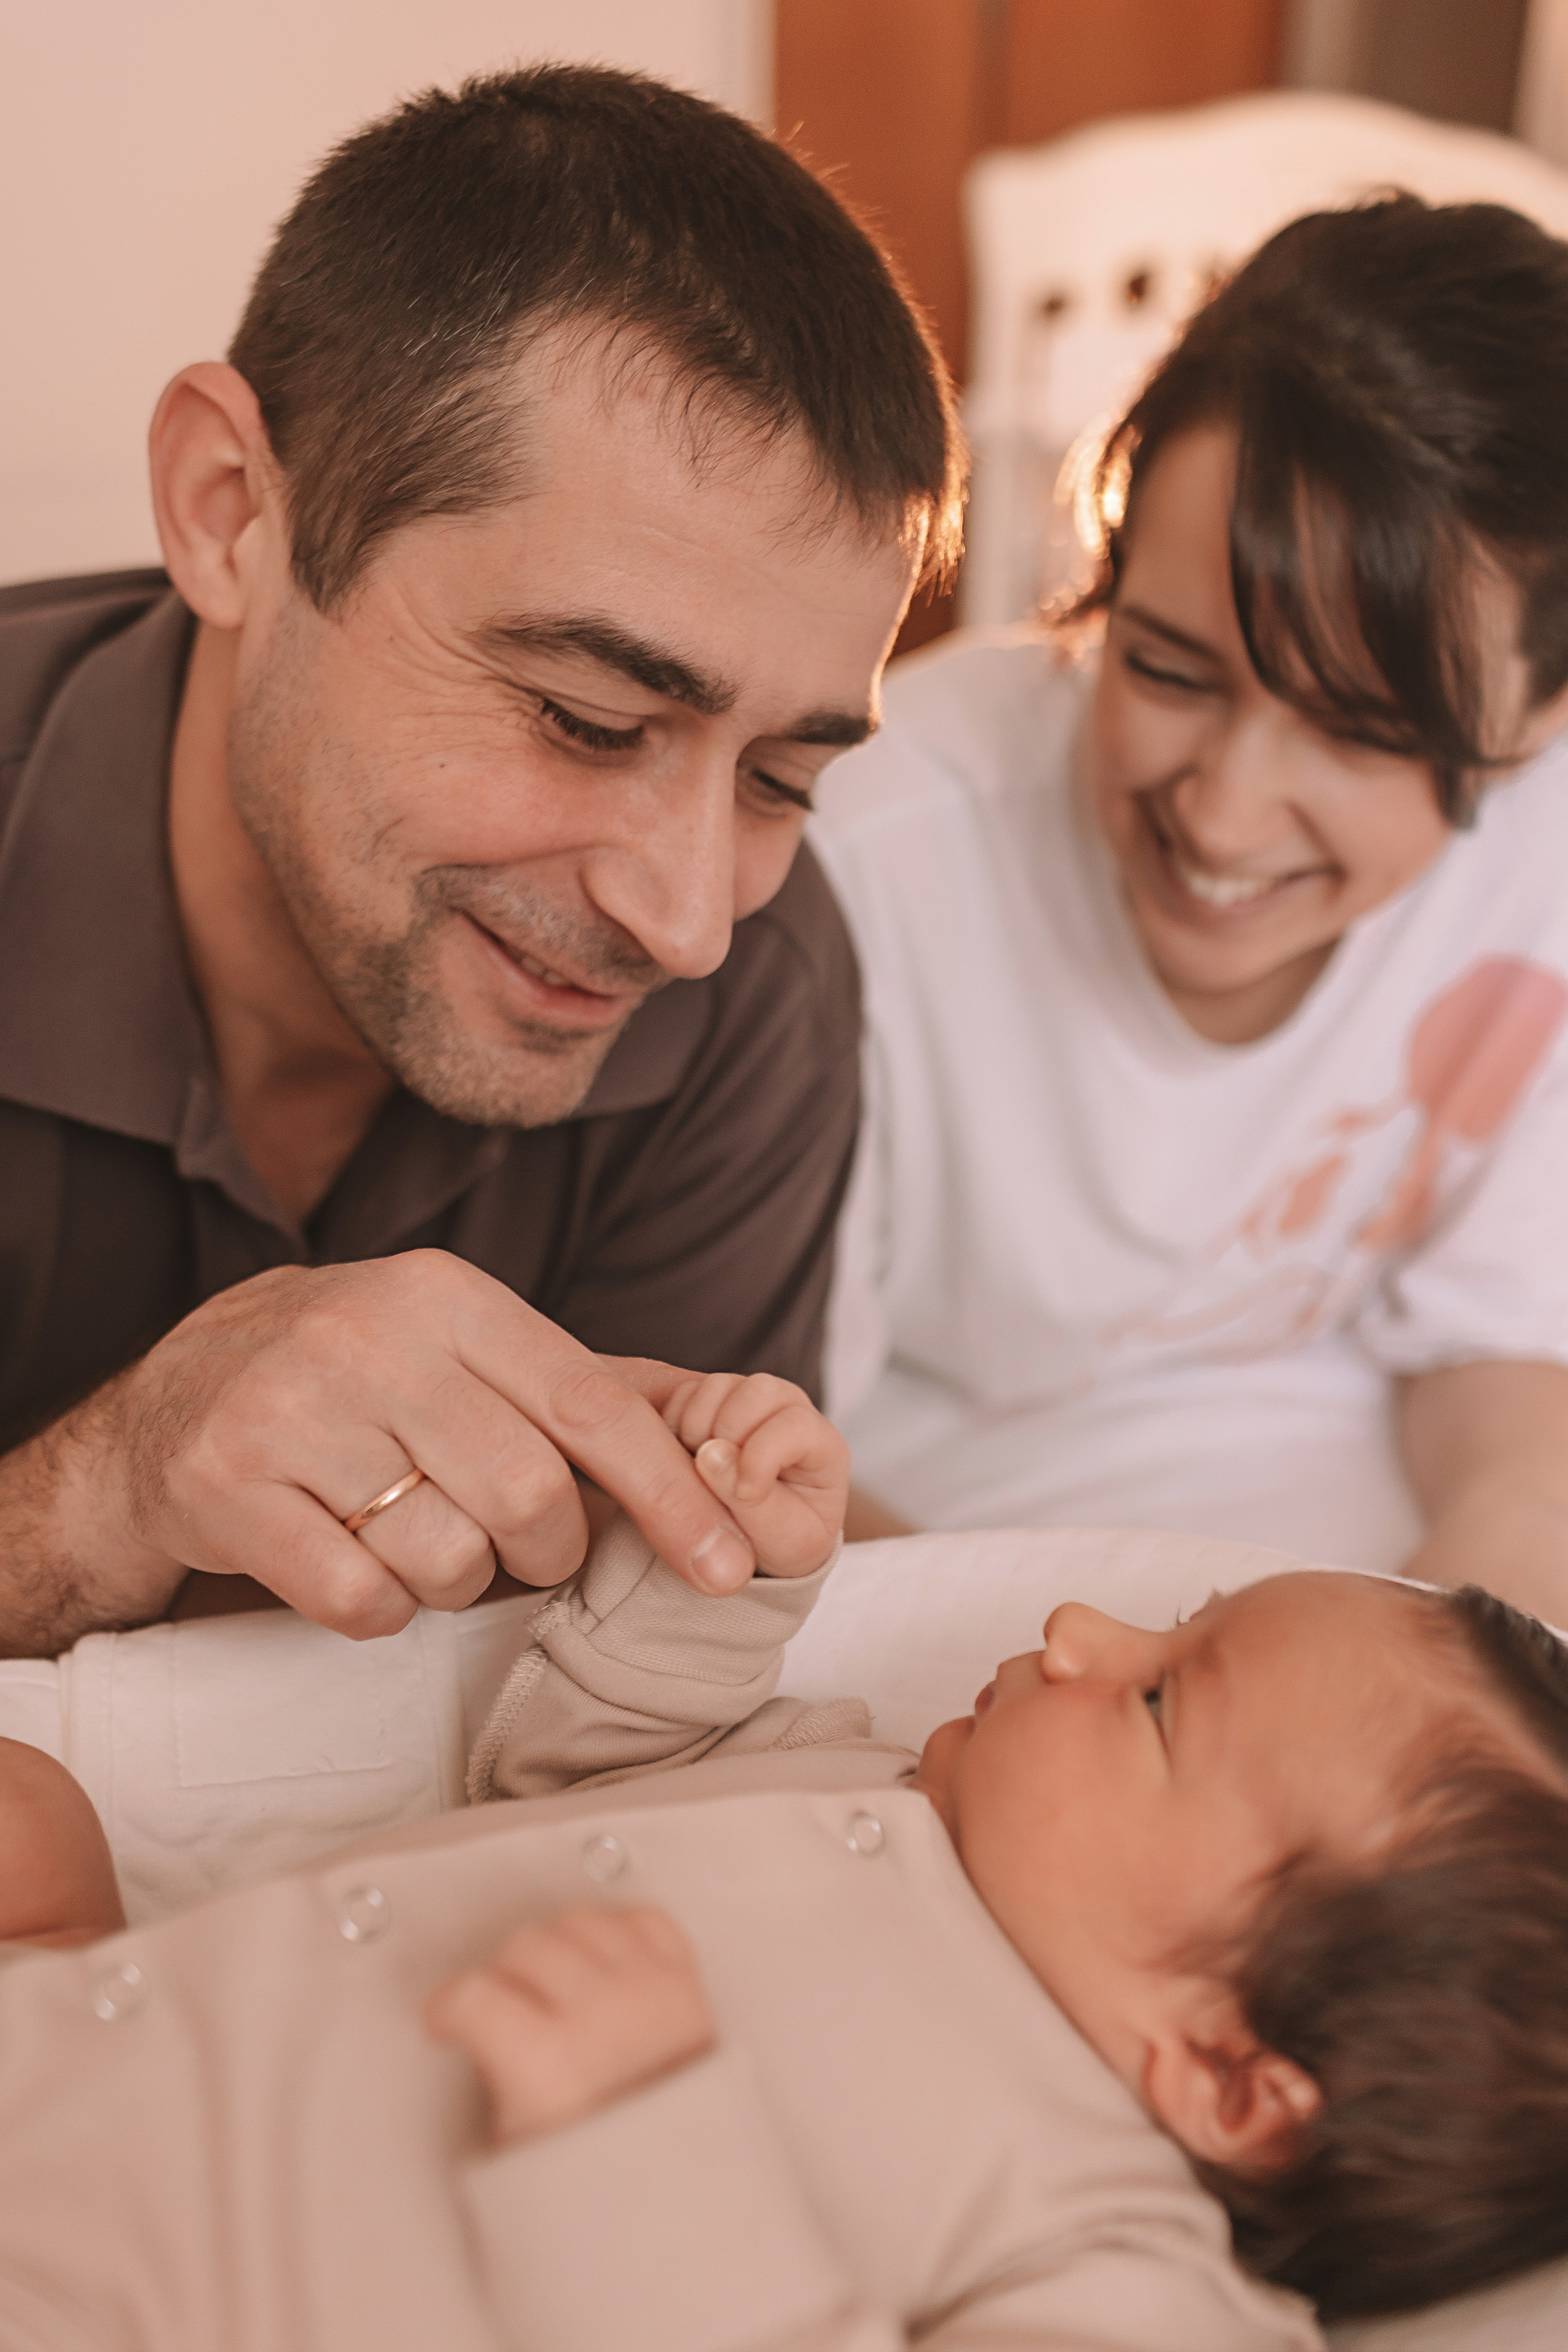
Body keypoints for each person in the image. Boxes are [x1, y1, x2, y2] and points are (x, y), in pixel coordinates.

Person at [0, 64, 961, 1659]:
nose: (688, 920)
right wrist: (101, 1496)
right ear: (232, 512)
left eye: (785, 777)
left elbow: (608, 1691)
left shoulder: (757, 993)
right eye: (587, 720)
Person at [2, 1371, 1568, 2348]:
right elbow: (551, 1785)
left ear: (1230, 2076)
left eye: (1159, 1699)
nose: (1080, 1630)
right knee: (29, 1813)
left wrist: (642, 2142)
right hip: (107, 2034)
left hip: (164, 2298)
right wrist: (720, 1586)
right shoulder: (866, 1785)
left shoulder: (1111, 2254)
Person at [813, 195, 1568, 1619]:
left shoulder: (1545, 852)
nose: (1219, 815)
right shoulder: (870, 852)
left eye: (1357, 732)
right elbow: (757, 1469)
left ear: (1539, 710)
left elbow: (1503, 1364)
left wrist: (1443, 1664)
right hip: (946, 1585)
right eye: (1161, 668)